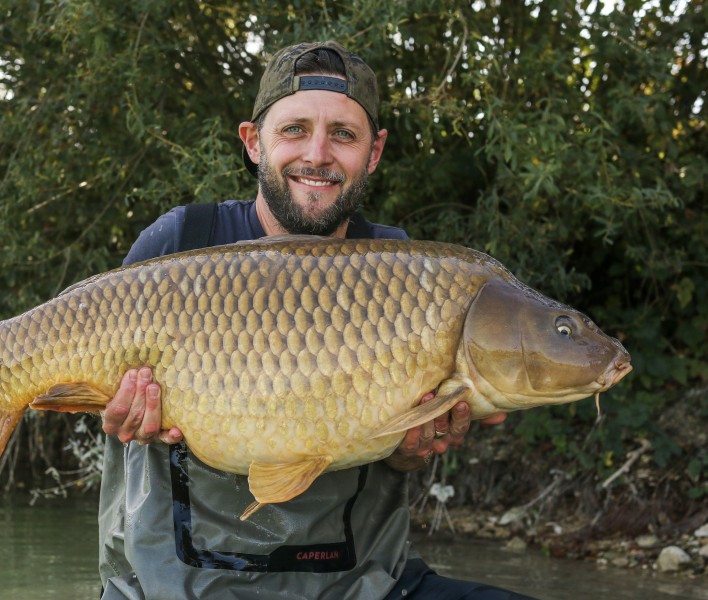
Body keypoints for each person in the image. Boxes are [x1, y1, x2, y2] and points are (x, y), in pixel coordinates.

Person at [97, 41, 533, 600]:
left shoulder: (399, 265)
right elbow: (104, 406)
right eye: (295, 129)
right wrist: (117, 413)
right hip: (177, 587)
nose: (319, 153)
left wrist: (408, 448)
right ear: (254, 143)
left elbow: (392, 445)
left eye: (344, 135)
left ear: (373, 153)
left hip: (361, 587)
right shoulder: (181, 242)